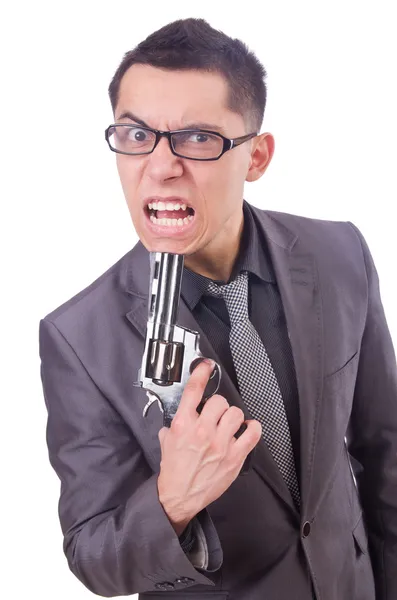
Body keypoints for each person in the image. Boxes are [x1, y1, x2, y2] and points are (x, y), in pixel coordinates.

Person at [38, 17, 397, 600]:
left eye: (198, 138)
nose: (160, 165)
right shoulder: (78, 338)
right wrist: (171, 502)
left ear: (256, 157)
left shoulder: (340, 256)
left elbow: (386, 458)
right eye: (136, 136)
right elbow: (93, 558)